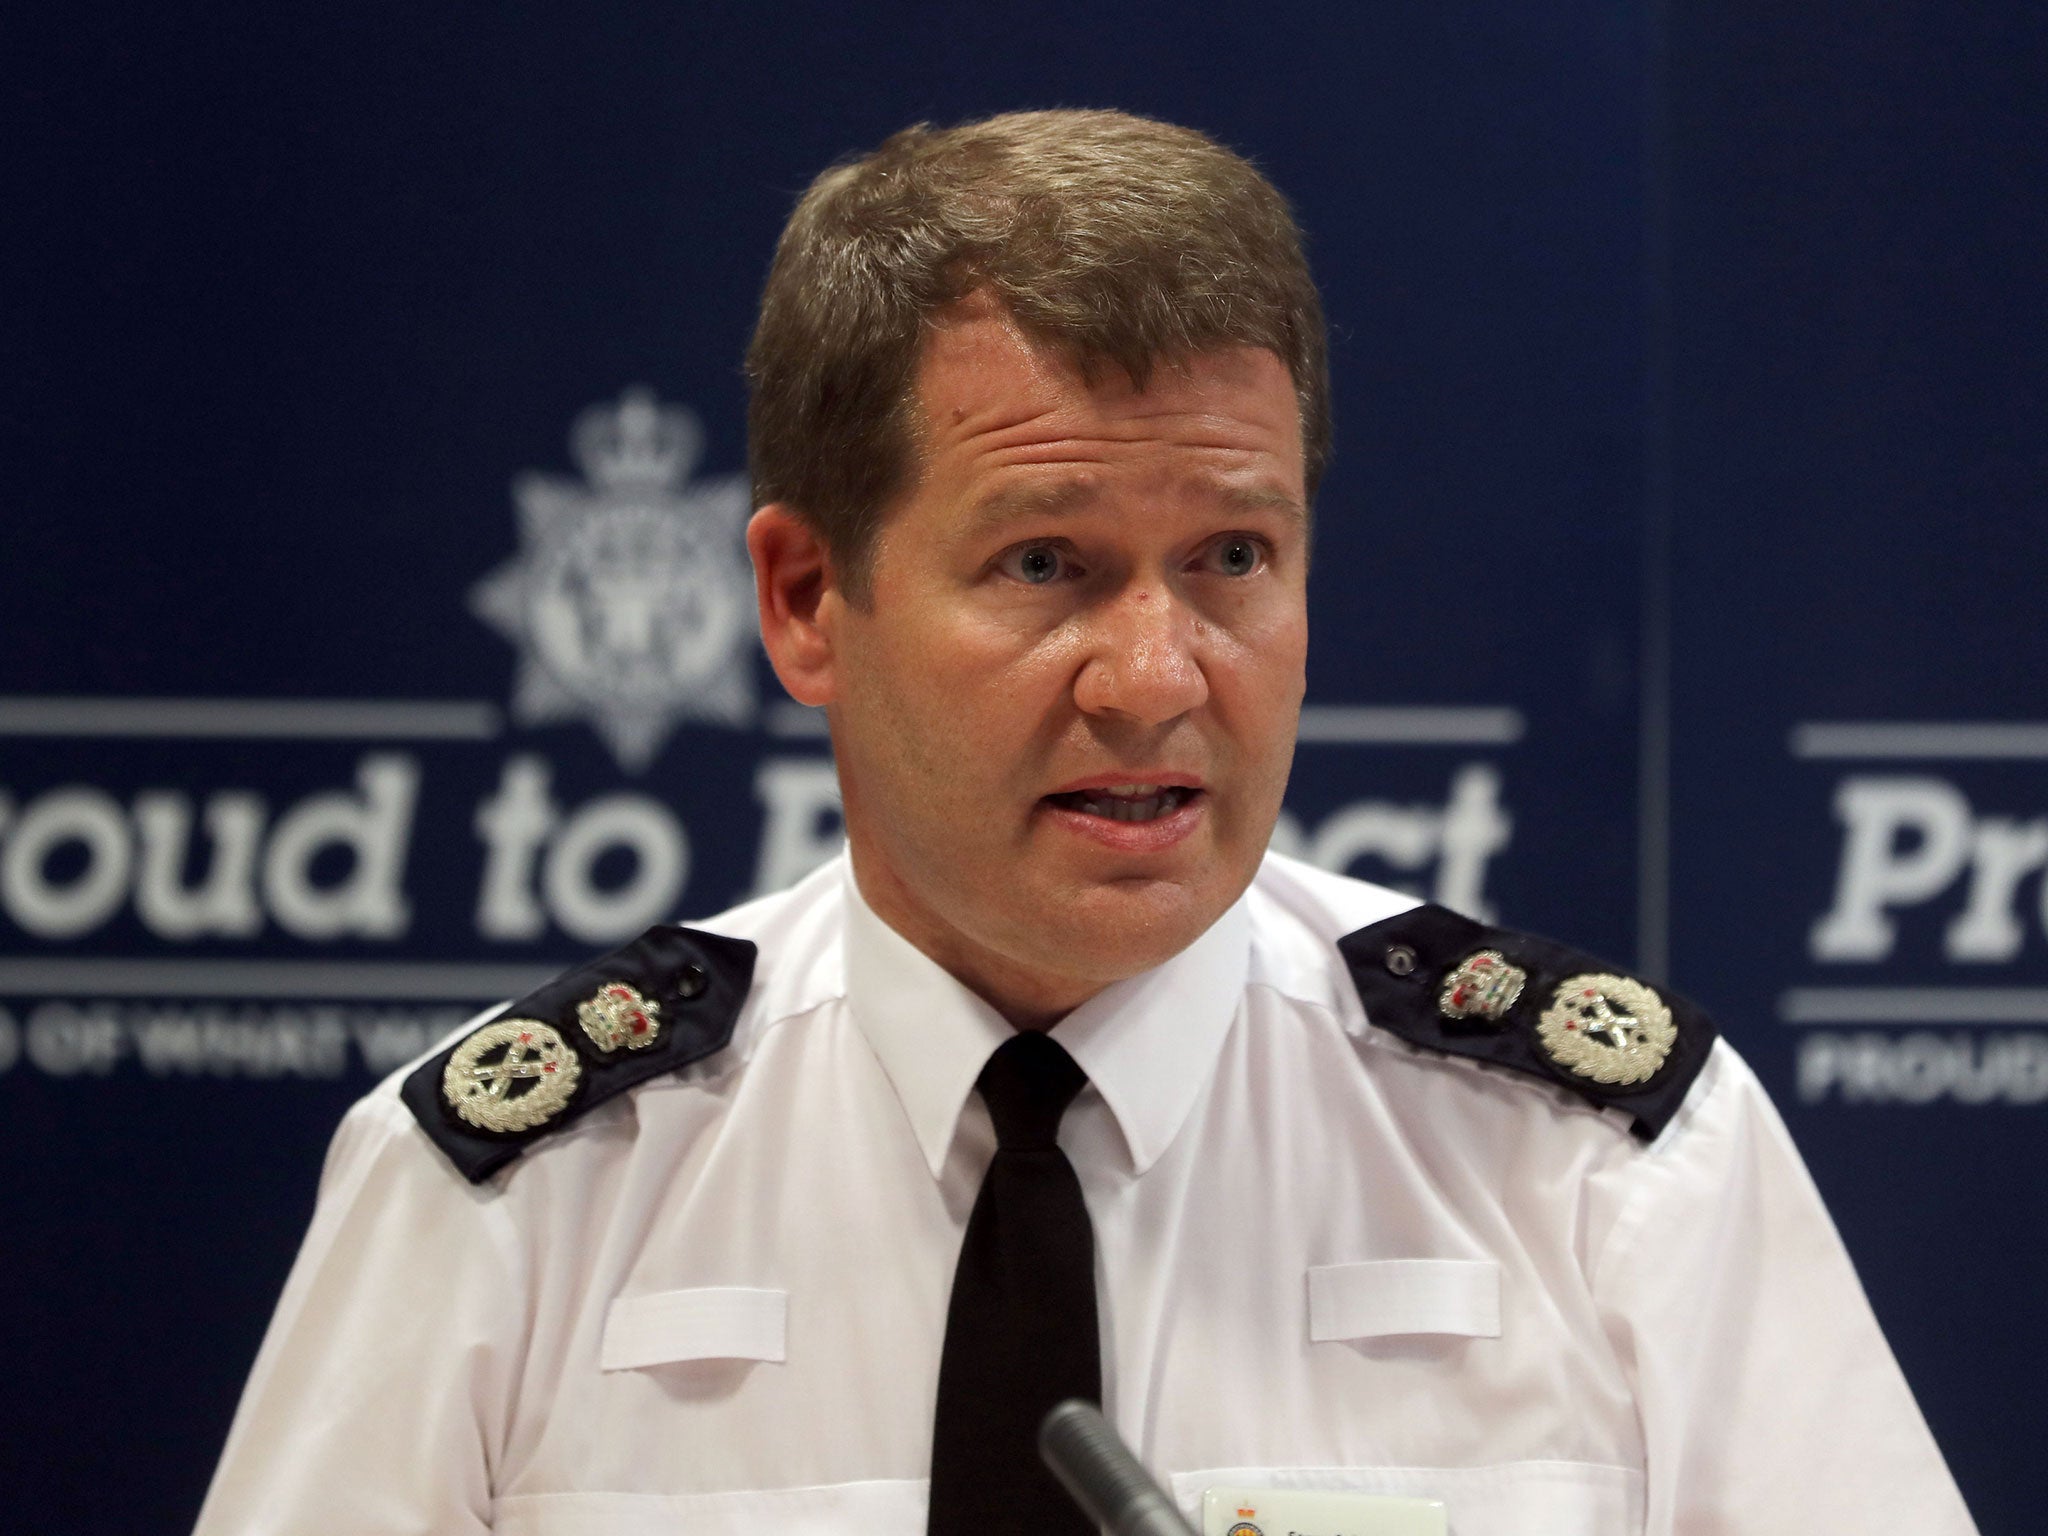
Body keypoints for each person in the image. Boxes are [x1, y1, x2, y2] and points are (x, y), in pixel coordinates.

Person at [194, 110, 1975, 1536]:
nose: (1153, 676)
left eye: (1233, 562)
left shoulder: (1606, 1169)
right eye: (1046, 563)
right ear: (811, 599)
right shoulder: (523, 1189)